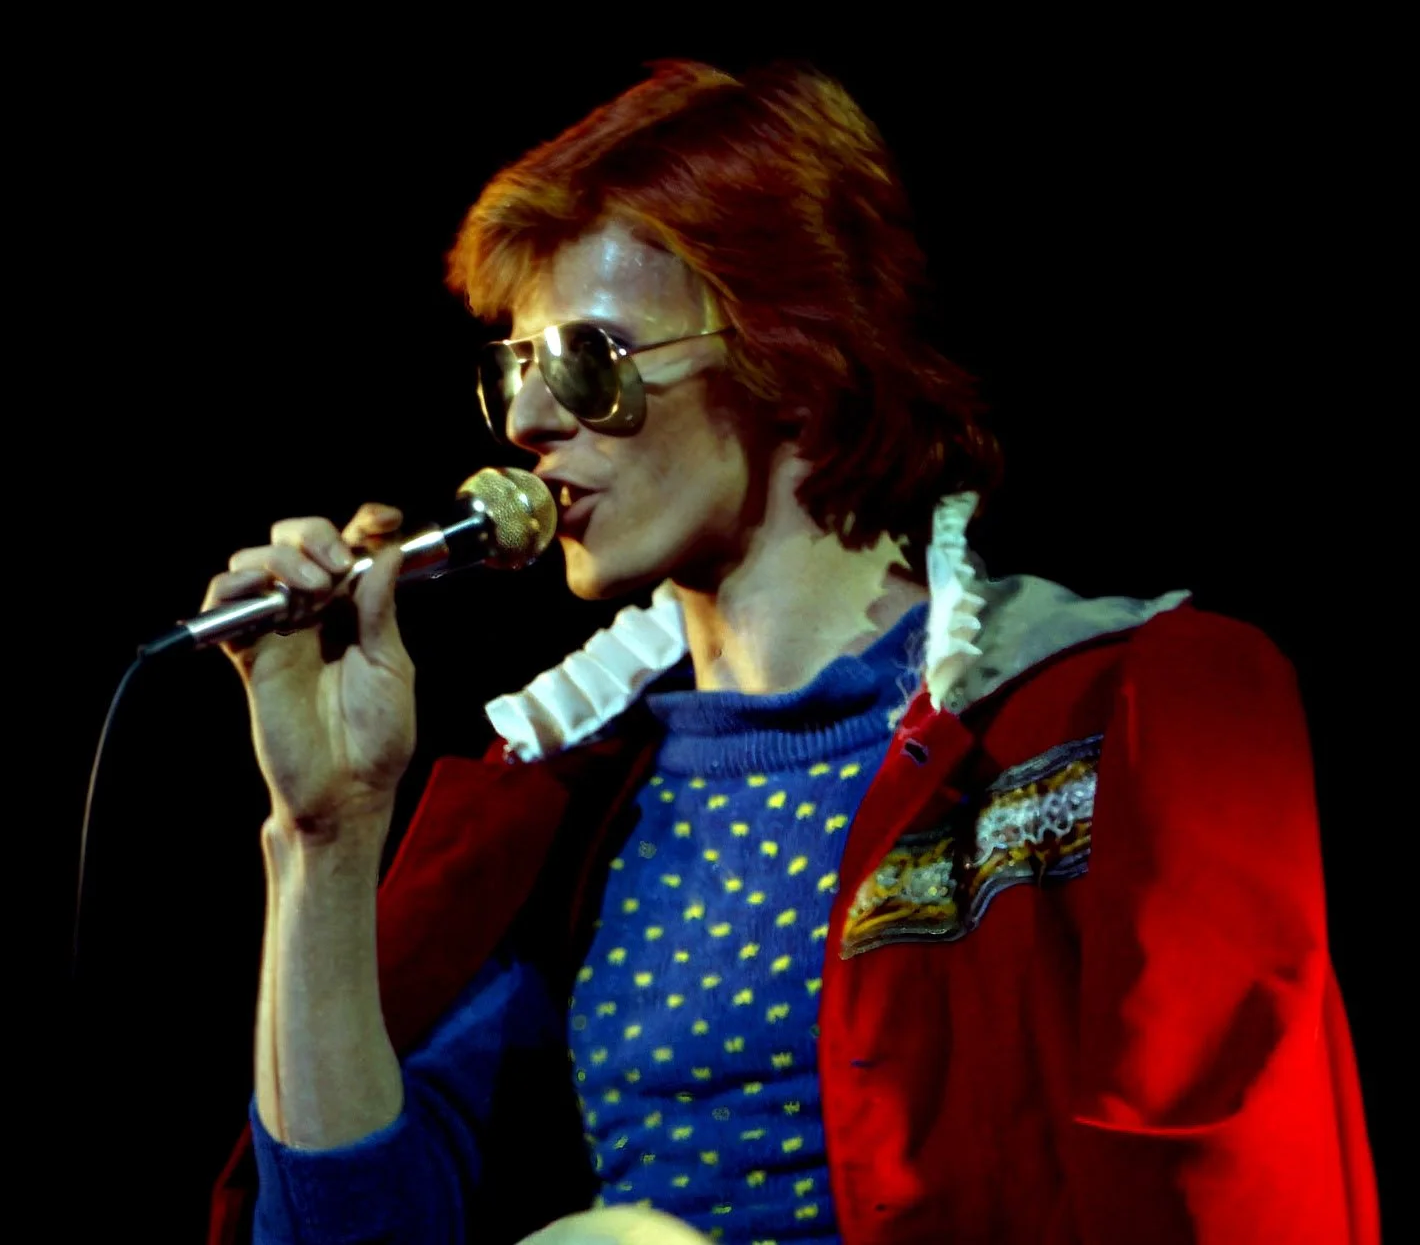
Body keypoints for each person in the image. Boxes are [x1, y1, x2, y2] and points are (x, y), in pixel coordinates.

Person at [207, 60, 1378, 1245]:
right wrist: (325, 839)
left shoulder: (1128, 707)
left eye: (589, 365)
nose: (528, 425)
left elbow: (1230, 1196)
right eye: (517, 370)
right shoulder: (567, 814)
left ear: (793, 358)